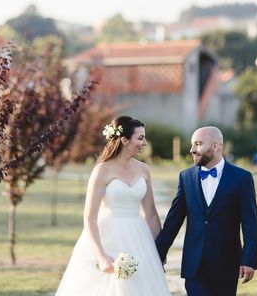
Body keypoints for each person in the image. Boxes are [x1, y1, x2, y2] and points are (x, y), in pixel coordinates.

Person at [55, 116, 171, 296]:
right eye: (140, 138)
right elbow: (89, 217)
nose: (145, 142)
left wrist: (160, 252)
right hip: (107, 236)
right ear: (124, 140)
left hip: (139, 237)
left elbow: (151, 214)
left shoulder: (144, 169)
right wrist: (101, 256)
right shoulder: (102, 170)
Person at [155, 126, 257, 296]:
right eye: (192, 145)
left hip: (226, 263)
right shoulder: (186, 177)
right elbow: (174, 220)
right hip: (194, 264)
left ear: (215, 146)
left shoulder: (242, 178)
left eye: (198, 144)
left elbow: (250, 223)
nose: (192, 150)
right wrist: (158, 253)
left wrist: (249, 259)